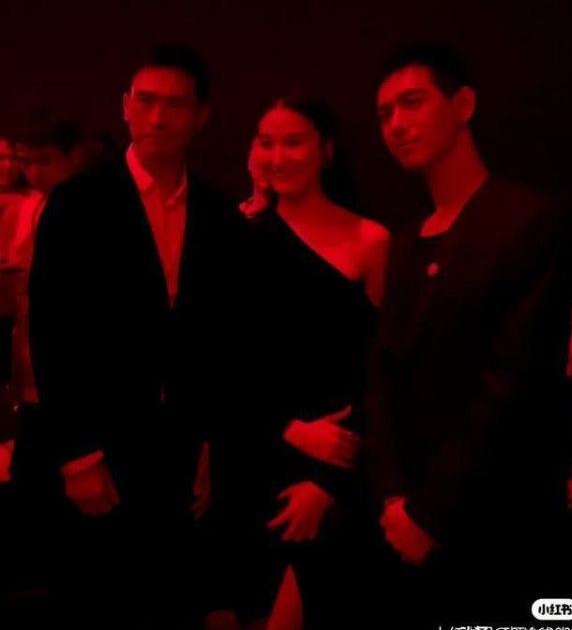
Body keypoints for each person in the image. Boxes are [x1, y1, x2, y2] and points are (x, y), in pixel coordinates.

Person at [28, 44, 257, 628]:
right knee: (95, 601)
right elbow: (52, 332)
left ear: (201, 116)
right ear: (125, 106)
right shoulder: (78, 201)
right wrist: (78, 454)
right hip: (98, 445)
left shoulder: (218, 210)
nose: (157, 117)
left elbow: (220, 340)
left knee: (170, 601)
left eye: (175, 104)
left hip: (178, 449)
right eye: (146, 101)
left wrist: (210, 444)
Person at [366, 43, 572, 628]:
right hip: (401, 517)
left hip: (496, 518)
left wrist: (430, 513)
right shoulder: (405, 241)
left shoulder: (526, 220)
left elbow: (513, 383)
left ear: (463, 105)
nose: (397, 124)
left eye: (412, 103)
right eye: (384, 113)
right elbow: (383, 370)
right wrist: (391, 498)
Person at [241, 97, 389, 629]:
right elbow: (221, 368)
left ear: (326, 151)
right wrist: (287, 429)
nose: (278, 156)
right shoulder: (239, 238)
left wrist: (329, 481)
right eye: (267, 142)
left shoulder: (370, 240)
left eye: (293, 141)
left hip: (341, 465)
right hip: (255, 457)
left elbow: (383, 371)